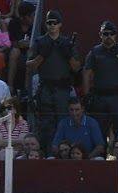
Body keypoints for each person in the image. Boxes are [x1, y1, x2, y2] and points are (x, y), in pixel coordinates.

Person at [27, 9, 80, 150]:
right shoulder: (40, 42)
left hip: (63, 88)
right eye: (49, 23)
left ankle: (62, 152)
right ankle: (47, 151)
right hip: (45, 88)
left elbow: (76, 67)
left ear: (60, 24)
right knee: (46, 124)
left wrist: (68, 55)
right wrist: (42, 55)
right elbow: (30, 66)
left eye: (54, 23)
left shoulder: (67, 42)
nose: (52, 26)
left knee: (63, 122)